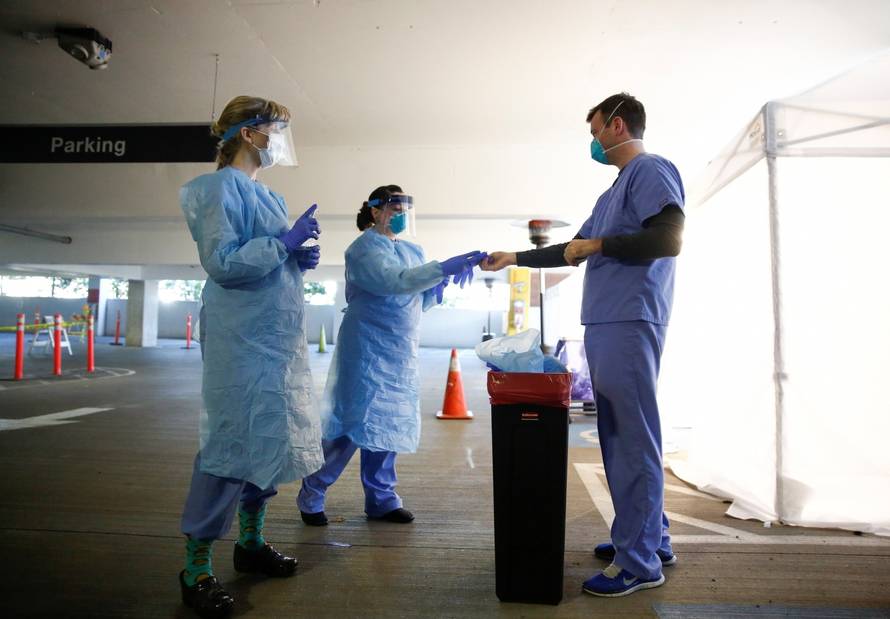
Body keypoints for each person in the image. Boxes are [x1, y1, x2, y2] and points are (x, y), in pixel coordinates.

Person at [481, 92, 685, 598]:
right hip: (610, 321)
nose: (592, 141)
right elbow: (571, 249)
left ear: (618, 125)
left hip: (630, 317)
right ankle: (650, 539)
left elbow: (669, 238)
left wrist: (599, 246)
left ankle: (638, 562)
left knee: (631, 439)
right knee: (623, 434)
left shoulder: (651, 169)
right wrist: (515, 257)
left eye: (595, 129)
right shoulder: (613, 192)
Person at [177, 95, 324, 618]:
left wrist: (297, 258)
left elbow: (267, 260)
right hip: (240, 339)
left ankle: (251, 542)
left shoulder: (270, 196)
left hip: (276, 338)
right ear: (249, 132)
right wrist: (282, 244)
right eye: (276, 128)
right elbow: (222, 264)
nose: (280, 139)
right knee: (229, 443)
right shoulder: (215, 189)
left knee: (270, 436)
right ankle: (196, 566)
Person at [297, 185, 485, 525]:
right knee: (352, 423)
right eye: (394, 209)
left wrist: (438, 287)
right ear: (375, 210)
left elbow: (416, 299)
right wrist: (442, 268)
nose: (400, 217)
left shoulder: (413, 250)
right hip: (366, 346)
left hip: (399, 349)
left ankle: (382, 499)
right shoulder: (362, 249)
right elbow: (394, 282)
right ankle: (313, 492)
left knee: (388, 425)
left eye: (404, 211)